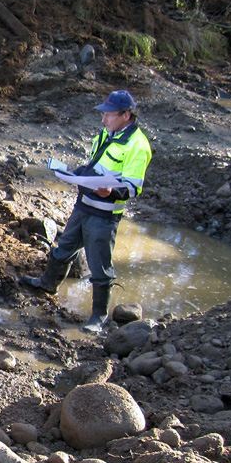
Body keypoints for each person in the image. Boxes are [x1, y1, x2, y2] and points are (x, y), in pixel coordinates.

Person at [21, 90, 153, 333]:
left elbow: (133, 188)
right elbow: (96, 165)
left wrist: (110, 193)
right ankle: (48, 284)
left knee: (100, 266)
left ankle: (99, 317)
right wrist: (75, 173)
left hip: (104, 215)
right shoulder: (108, 133)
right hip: (84, 205)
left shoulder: (138, 145)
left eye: (108, 115)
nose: (103, 120)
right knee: (65, 246)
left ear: (126, 115)